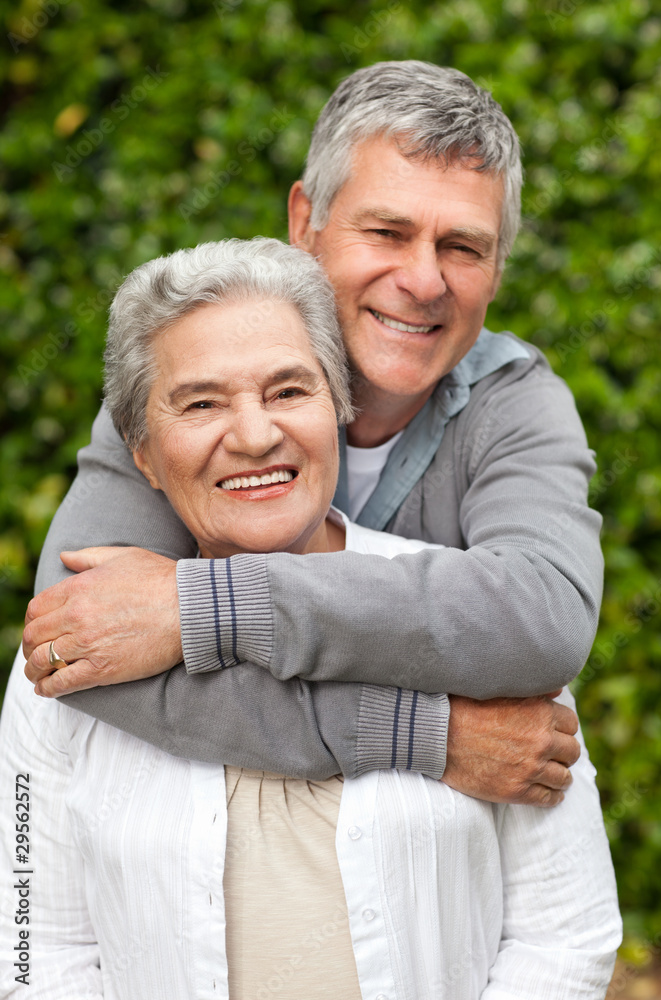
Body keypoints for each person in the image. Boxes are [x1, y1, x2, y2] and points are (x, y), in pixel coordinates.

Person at [0, 239, 621, 999]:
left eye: (290, 391)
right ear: (143, 456)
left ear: (339, 410)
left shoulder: (475, 630)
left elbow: (563, 938)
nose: (256, 434)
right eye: (200, 403)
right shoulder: (79, 646)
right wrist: (429, 736)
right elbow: (31, 942)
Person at [22, 61, 602, 804]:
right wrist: (424, 735)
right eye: (386, 231)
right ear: (306, 224)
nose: (423, 281)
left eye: (462, 246)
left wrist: (197, 609)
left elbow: (541, 619)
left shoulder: (514, 404)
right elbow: (74, 640)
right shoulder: (191, 372)